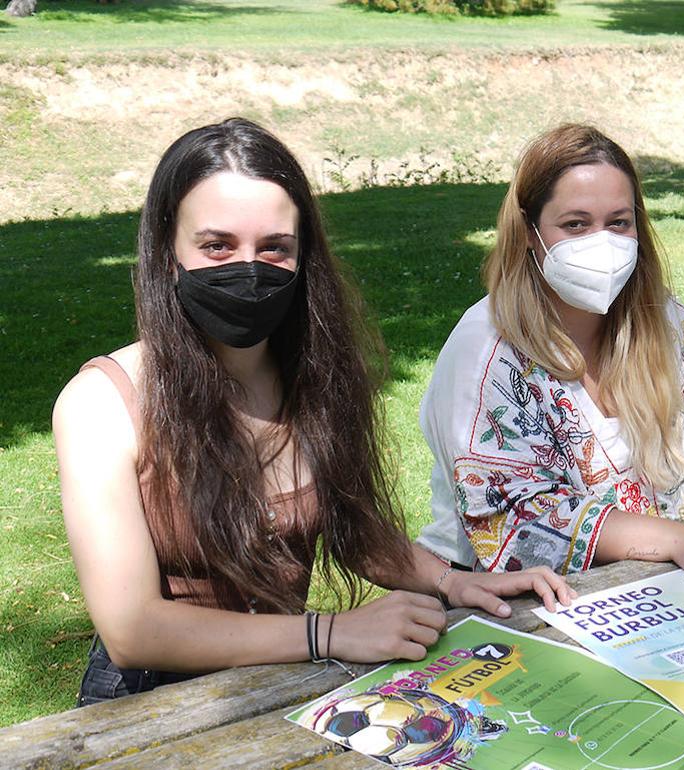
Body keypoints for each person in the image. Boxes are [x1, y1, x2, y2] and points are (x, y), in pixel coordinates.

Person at [53, 118, 572, 705]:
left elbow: (355, 532)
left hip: (278, 683)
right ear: (167, 249)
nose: (248, 269)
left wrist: (456, 581)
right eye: (216, 245)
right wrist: (331, 631)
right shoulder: (101, 403)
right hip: (148, 704)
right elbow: (133, 631)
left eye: (274, 248)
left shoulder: (313, 376)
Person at [418, 124, 684, 592]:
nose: (603, 243)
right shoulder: (487, 349)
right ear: (530, 233)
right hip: (520, 603)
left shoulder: (663, 320)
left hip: (669, 588)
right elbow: (518, 521)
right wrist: (678, 540)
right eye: (575, 225)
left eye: (618, 222)